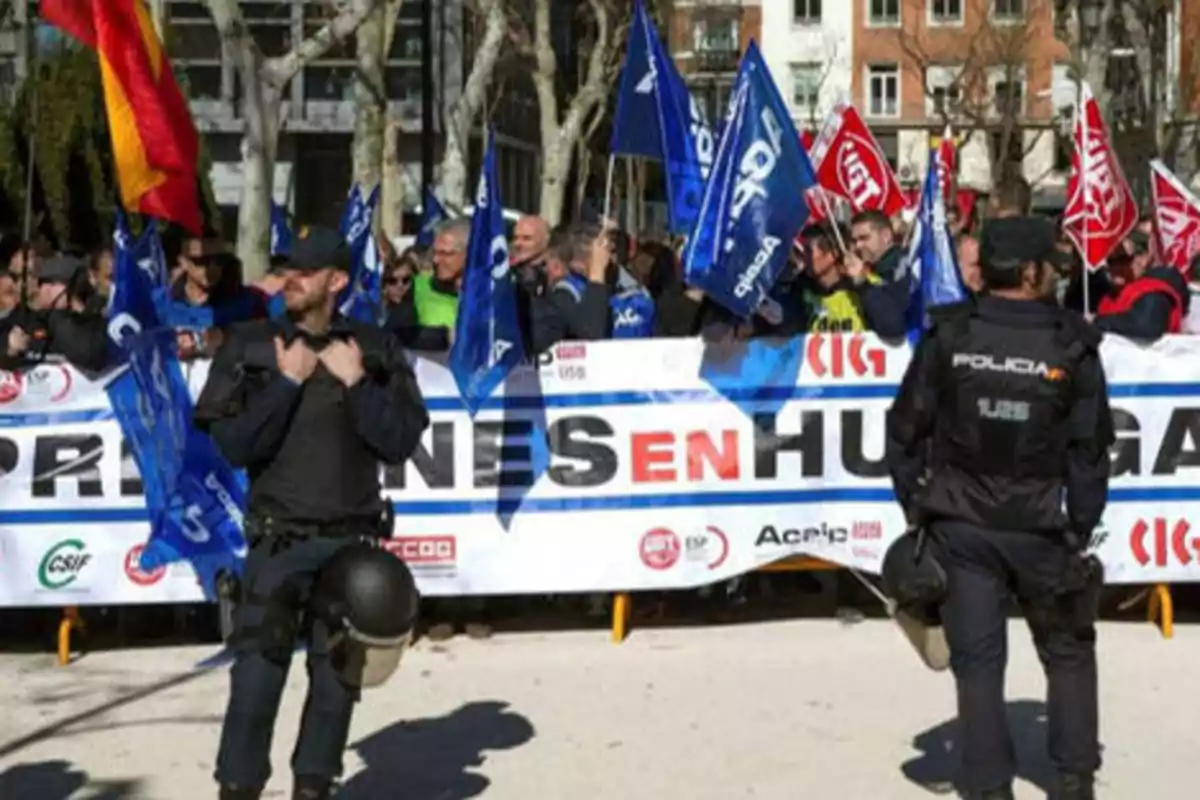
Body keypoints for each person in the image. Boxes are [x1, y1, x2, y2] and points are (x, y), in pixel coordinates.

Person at [193, 226, 430, 800]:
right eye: (286, 269)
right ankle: (239, 787)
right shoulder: (251, 346)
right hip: (278, 543)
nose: (290, 280)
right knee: (256, 676)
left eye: (304, 271)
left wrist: (356, 385)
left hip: (353, 546)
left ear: (338, 281)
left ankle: (315, 785)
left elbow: (398, 441)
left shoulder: (373, 349)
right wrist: (285, 384)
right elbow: (235, 447)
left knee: (337, 679)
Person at [885, 216, 1111, 800]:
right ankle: (1074, 777)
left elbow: (903, 427)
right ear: (1034, 272)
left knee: (978, 662)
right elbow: (1091, 450)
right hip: (1040, 526)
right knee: (1066, 650)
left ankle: (987, 787)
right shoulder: (1071, 343)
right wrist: (1079, 528)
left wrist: (917, 509)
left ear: (986, 268)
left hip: (963, 527)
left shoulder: (951, 335)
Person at [0, 254, 109, 372]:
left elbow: (90, 354)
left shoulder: (95, 317)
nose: (42, 288)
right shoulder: (16, 321)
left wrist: (67, 311)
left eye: (16, 277)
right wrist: (10, 350)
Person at [1094, 230, 1187, 339]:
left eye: (1122, 260)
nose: (1115, 268)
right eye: (1111, 261)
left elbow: (1146, 326)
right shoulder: (1108, 298)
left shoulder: (1156, 292)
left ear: (1143, 258)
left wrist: (1099, 322)